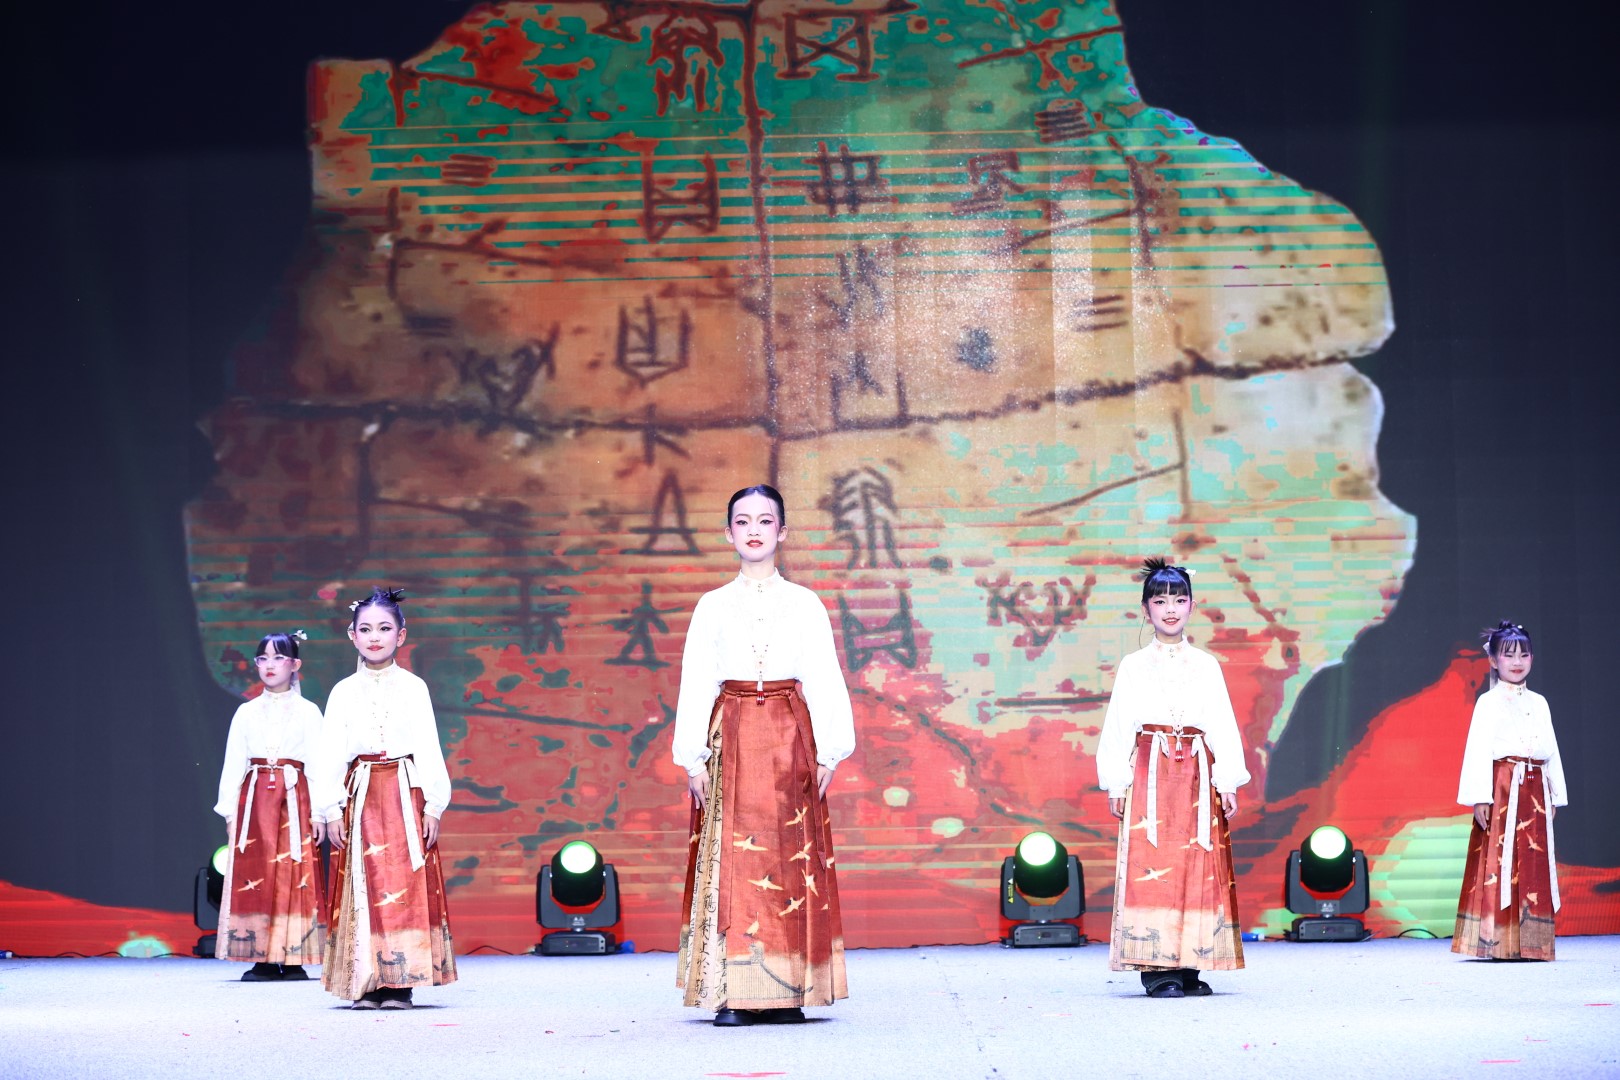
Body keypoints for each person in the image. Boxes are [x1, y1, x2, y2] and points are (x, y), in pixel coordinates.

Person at [673, 484, 855, 1027]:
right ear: (729, 533)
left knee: (788, 857)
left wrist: (830, 751)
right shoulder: (712, 605)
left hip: (787, 732)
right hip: (730, 729)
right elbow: (695, 680)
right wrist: (692, 757)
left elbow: (823, 676)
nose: (754, 530)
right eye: (743, 521)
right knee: (733, 859)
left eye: (765, 520)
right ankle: (733, 993)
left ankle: (788, 990)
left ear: (783, 531)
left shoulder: (804, 603)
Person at [1094, 558, 1249, 997]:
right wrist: (1117, 781)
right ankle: (1157, 969)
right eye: (1160, 602)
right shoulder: (1133, 665)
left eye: (1179, 601)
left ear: (1192, 607)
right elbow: (1119, 724)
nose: (1170, 610)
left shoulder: (1206, 664)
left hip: (1197, 769)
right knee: (1154, 865)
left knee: (1197, 864)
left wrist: (1227, 779)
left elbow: (1221, 722)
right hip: (1151, 770)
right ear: (1146, 610)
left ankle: (1190, 965)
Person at [320, 588, 457, 1009]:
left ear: (401, 635)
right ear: (352, 635)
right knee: (362, 883)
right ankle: (366, 980)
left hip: (402, 789)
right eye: (365, 629)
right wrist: (330, 808)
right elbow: (330, 752)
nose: (374, 637)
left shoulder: (414, 687)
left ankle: (400, 982)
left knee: (402, 881)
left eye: (384, 628)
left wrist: (433, 804)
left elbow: (428, 746)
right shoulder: (343, 691)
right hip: (360, 791)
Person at [213, 630, 328, 980]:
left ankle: (293, 957)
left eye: (279, 657)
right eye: (263, 658)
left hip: (295, 796)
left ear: (295, 665)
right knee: (257, 871)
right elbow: (234, 763)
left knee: (294, 872)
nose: (269, 665)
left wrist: (320, 811)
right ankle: (261, 957)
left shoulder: (309, 712)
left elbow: (319, 764)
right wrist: (230, 811)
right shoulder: (246, 712)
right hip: (256, 798)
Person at [1453, 621, 1568, 961]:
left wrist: (1554, 793)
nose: (1517, 662)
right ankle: (1498, 942)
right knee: (1499, 861)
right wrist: (1480, 796)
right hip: (1503, 785)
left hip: (1535, 786)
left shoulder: (1540, 702)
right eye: (1509, 655)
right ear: (1493, 660)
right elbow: (1477, 750)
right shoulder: (1488, 702)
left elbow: (1551, 750)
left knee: (1533, 860)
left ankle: (1531, 943)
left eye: (1524, 655)